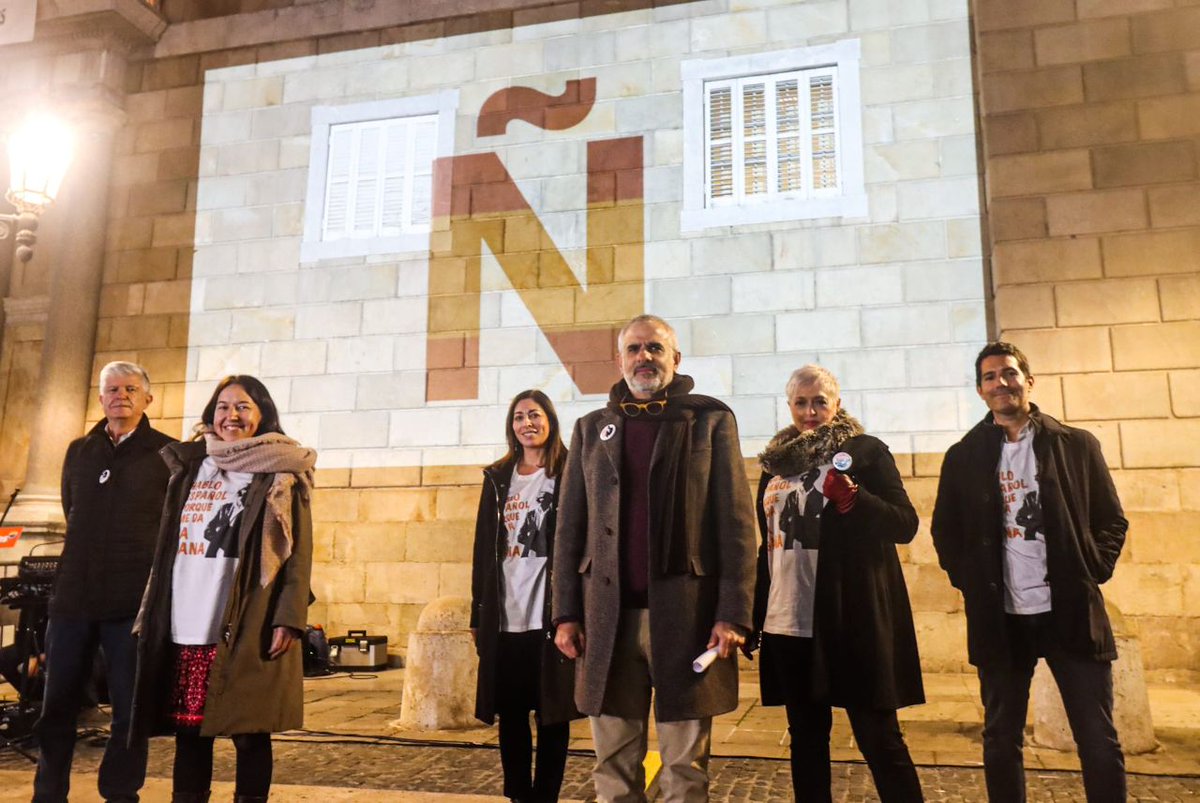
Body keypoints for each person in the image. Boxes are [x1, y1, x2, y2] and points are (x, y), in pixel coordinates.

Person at [552, 314, 757, 802]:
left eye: (655, 349)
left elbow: (737, 525)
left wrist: (733, 613)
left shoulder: (709, 421)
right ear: (620, 360)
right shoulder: (590, 429)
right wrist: (564, 614)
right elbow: (569, 530)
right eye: (635, 349)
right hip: (607, 621)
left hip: (687, 619)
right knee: (614, 764)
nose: (644, 358)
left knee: (685, 767)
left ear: (676, 359)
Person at [931, 342, 1127, 803]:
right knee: (1001, 738)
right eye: (990, 377)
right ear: (980, 391)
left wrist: (1091, 567)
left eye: (1010, 373)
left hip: (1070, 610)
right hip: (1001, 616)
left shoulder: (1075, 444)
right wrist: (971, 582)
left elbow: (1111, 519)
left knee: (1098, 737)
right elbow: (945, 532)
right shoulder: (963, 456)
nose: (1002, 383)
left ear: (1028, 380)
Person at [131, 375, 316, 803]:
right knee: (189, 731)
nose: (231, 415)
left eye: (243, 407)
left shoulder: (282, 468)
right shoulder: (191, 464)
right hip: (185, 616)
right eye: (223, 406)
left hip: (244, 615)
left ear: (262, 414)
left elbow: (299, 553)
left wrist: (288, 617)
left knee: (250, 730)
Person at [751, 365, 924, 803]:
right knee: (806, 740)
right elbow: (767, 548)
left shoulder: (864, 453)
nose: (811, 412)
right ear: (789, 407)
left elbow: (905, 524)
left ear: (837, 403)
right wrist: (752, 616)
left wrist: (855, 499)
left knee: (878, 737)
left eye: (820, 402)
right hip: (788, 622)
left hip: (851, 619)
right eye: (801, 403)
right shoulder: (774, 466)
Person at [33, 361, 174, 803]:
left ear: (147, 399)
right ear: (100, 399)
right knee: (56, 707)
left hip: (131, 603)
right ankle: (48, 793)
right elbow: (71, 506)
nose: (121, 396)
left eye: (131, 389)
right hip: (73, 600)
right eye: (112, 389)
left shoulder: (167, 454)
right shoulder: (80, 451)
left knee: (128, 712)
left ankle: (119, 792)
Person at [471, 390, 580, 803]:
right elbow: (482, 550)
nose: (526, 423)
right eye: (518, 417)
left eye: (534, 415)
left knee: (553, 713)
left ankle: (546, 796)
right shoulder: (498, 478)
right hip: (505, 615)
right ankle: (519, 795)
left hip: (551, 615)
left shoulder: (570, 471)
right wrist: (477, 614)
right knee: (511, 715)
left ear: (549, 420)